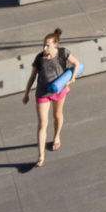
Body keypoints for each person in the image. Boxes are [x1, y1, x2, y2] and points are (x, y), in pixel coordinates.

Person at [22, 29, 82, 168]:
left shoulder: (63, 53)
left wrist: (71, 79)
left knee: (57, 115)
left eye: (47, 45)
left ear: (55, 45)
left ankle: (56, 136)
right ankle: (41, 156)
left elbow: (77, 64)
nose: (44, 48)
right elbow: (32, 77)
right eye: (43, 45)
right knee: (42, 124)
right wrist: (26, 94)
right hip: (42, 93)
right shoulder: (39, 58)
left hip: (59, 89)